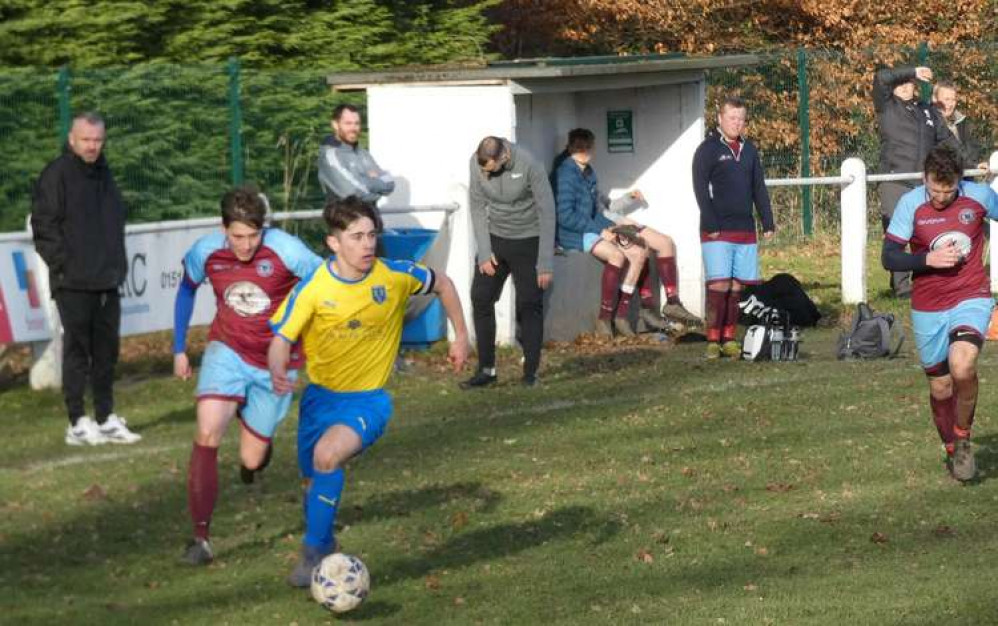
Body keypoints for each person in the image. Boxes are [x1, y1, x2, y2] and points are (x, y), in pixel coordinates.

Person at [267, 196, 470, 587]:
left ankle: (311, 556)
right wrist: (278, 369)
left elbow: (442, 283)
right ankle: (325, 545)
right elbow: (281, 337)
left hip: (368, 400)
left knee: (328, 456)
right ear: (333, 243)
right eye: (356, 236)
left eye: (372, 235)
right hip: (319, 399)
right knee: (314, 489)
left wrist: (460, 336)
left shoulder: (393, 275)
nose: (367, 244)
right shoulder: (314, 288)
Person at [174, 187, 322, 565]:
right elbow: (186, 289)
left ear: (264, 229)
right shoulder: (206, 251)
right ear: (224, 229)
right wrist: (178, 349)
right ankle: (201, 539)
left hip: (276, 361)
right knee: (207, 432)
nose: (245, 244)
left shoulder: (288, 251)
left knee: (253, 460)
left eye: (253, 235)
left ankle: (249, 428)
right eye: (238, 236)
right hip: (227, 350)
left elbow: (324, 286)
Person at [882, 146, 998, 482]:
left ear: (960, 182)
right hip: (928, 304)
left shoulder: (979, 196)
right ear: (924, 179)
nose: (941, 197)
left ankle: (962, 438)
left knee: (963, 365)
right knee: (941, 388)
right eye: (934, 189)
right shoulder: (911, 204)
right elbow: (889, 257)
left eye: (948, 191)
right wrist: (925, 260)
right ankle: (951, 447)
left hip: (970, 295)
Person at [30, 111, 140, 446]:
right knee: (77, 353)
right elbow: (44, 226)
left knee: (107, 352)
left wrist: (116, 268)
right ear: (72, 140)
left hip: (108, 281)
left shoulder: (105, 175)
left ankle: (105, 417)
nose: (92, 146)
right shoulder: (56, 175)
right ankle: (77, 421)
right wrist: (63, 266)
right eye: (86, 140)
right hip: (73, 282)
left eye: (97, 140)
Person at [552, 128, 699, 337]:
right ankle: (605, 319)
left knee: (640, 251)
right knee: (618, 254)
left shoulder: (588, 172)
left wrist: (614, 226)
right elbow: (566, 216)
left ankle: (622, 316)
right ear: (570, 148)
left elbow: (601, 208)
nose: (584, 152)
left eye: (587, 147)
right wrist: (603, 229)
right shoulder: (565, 174)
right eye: (578, 148)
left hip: (597, 225)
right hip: (574, 233)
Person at [462, 136, 555, 388]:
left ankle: (530, 373)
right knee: (481, 297)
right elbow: (477, 206)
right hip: (495, 239)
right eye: (482, 169)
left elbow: (547, 212)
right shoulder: (477, 162)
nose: (485, 174)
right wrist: (484, 250)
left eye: (489, 169)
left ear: (503, 157)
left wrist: (545, 262)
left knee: (529, 303)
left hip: (529, 239)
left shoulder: (530, 165)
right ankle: (487, 370)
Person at [692, 96, 775, 360]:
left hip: (745, 229)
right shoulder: (707, 150)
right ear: (720, 119)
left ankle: (729, 338)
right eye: (732, 118)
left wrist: (767, 221)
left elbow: (758, 188)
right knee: (719, 286)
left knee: (737, 287)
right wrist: (710, 222)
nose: (737, 123)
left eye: (741, 119)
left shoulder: (749, 150)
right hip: (717, 230)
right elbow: (700, 188)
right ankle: (712, 339)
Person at [873, 65, 959, 297]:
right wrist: (911, 71)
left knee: (925, 233)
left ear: (915, 87)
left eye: (909, 83)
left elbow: (948, 142)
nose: (904, 87)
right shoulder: (886, 106)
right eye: (901, 82)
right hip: (894, 181)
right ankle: (901, 288)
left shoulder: (927, 111)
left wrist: (972, 164)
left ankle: (925, 281)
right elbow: (881, 78)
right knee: (897, 233)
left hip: (923, 182)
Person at [317, 104, 395, 204]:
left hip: (371, 216)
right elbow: (352, 193)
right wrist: (377, 189)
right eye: (348, 123)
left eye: (357, 123)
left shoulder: (362, 153)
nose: (353, 128)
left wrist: (362, 181)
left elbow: (390, 183)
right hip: (345, 217)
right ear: (335, 125)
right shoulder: (330, 156)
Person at [931, 81, 985, 174]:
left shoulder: (962, 122)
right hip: (941, 179)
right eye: (946, 99)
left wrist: (974, 165)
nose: (950, 104)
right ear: (934, 99)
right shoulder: (926, 123)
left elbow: (972, 149)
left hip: (965, 178)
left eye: (953, 100)